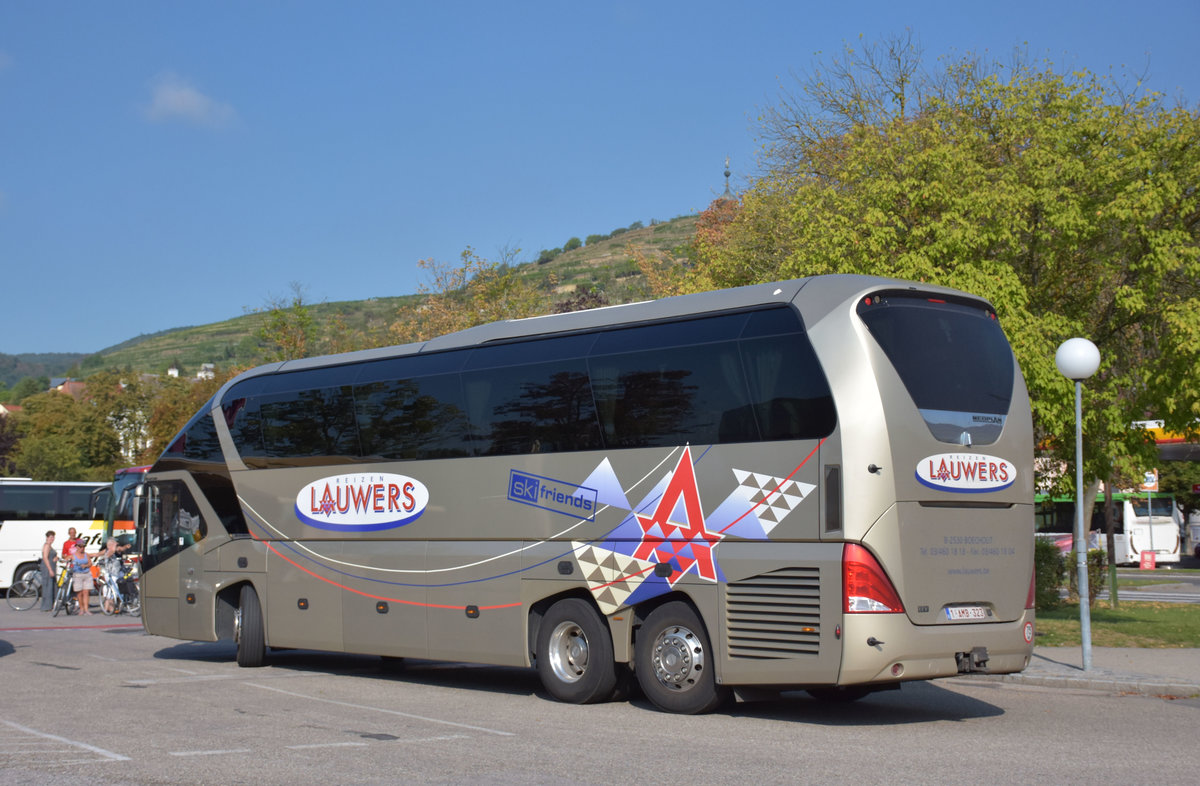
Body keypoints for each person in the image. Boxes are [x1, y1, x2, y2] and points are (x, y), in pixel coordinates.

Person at [71, 543, 94, 615]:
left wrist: (85, 565)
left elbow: (90, 563)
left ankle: (86, 609)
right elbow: (65, 560)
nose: (82, 548)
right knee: (79, 593)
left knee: (86, 592)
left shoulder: (86, 555)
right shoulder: (73, 556)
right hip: (77, 574)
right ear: (77, 547)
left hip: (86, 574)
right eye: (80, 546)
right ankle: (81, 609)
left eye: (83, 546)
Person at [40, 530, 57, 611]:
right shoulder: (46, 546)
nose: (52, 538)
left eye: (53, 537)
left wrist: (56, 559)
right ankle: (46, 606)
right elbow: (45, 558)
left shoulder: (50, 546)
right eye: (51, 537)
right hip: (47, 568)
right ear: (47, 537)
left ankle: (51, 605)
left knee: (52, 586)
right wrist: (50, 570)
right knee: (48, 587)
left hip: (52, 567)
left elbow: (50, 557)